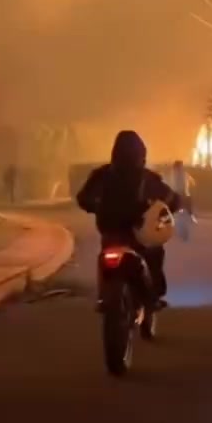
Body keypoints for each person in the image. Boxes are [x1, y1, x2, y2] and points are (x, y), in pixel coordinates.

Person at [76, 131, 191, 310]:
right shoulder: (148, 178)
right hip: (138, 233)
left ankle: (104, 296)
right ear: (141, 154)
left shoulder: (101, 174)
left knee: (105, 256)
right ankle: (152, 297)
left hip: (110, 230)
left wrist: (95, 207)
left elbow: (83, 198)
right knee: (155, 251)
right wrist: (172, 207)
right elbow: (171, 200)